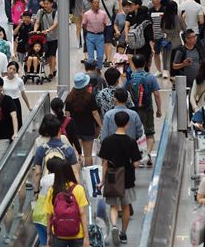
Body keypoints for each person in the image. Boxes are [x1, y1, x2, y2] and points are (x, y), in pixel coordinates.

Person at [98, 111, 143, 246]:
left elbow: (104, 163)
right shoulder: (131, 142)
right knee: (125, 207)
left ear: (114, 122)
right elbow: (136, 163)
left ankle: (113, 226)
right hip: (127, 178)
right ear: (128, 124)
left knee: (113, 205)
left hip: (112, 177)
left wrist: (101, 181)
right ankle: (123, 234)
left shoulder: (107, 141)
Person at [125, 54, 162, 167]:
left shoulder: (129, 78)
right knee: (149, 132)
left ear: (134, 64)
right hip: (147, 109)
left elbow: (123, 92)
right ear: (145, 64)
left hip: (132, 110)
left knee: (135, 133)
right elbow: (156, 94)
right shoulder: (150, 77)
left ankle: (137, 156)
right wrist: (159, 109)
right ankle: (148, 154)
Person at [44, 158, 90, 247]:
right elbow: (82, 213)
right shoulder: (78, 189)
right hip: (77, 233)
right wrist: (86, 237)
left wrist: (48, 235)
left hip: (58, 234)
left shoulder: (52, 191)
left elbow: (49, 215)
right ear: (70, 171)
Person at [65, 72, 102, 167]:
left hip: (74, 129)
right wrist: (100, 125)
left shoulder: (69, 97)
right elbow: (95, 113)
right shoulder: (90, 96)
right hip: (88, 128)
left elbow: (67, 115)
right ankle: (88, 176)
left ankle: (77, 176)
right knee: (88, 155)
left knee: (77, 154)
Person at [82, 0, 111, 71]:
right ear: (91, 4)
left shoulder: (103, 14)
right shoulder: (86, 14)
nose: (96, 4)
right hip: (90, 36)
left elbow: (105, 24)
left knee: (100, 56)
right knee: (91, 57)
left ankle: (98, 69)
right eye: (94, 2)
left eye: (98, 2)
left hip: (100, 36)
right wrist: (90, 31)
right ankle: (91, 71)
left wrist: (100, 31)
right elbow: (84, 25)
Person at [34, 0, 59, 80]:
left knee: (52, 55)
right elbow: (37, 22)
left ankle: (51, 73)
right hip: (43, 38)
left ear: (51, 4)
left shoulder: (55, 13)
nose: (45, 5)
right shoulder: (40, 12)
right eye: (44, 4)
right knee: (47, 57)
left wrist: (47, 30)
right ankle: (53, 68)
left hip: (54, 38)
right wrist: (35, 30)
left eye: (47, 3)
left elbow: (55, 24)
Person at [3, 61, 32, 129]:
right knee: (6, 122)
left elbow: (23, 94)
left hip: (15, 103)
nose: (11, 71)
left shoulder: (19, 81)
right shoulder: (2, 80)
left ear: (16, 71)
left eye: (14, 69)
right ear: (7, 68)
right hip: (5, 103)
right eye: (10, 68)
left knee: (17, 123)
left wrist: (29, 106)